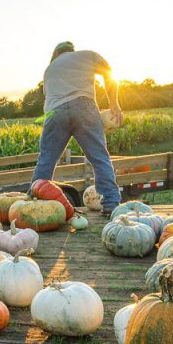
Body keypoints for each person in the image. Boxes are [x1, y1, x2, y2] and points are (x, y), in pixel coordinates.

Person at [31, 41, 123, 215]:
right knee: (99, 157)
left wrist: (48, 122)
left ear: (56, 54)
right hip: (83, 105)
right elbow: (109, 75)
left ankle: (33, 204)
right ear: (71, 51)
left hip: (54, 113)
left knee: (46, 161)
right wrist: (114, 104)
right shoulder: (87, 55)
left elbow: (49, 102)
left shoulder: (49, 69)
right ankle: (111, 203)